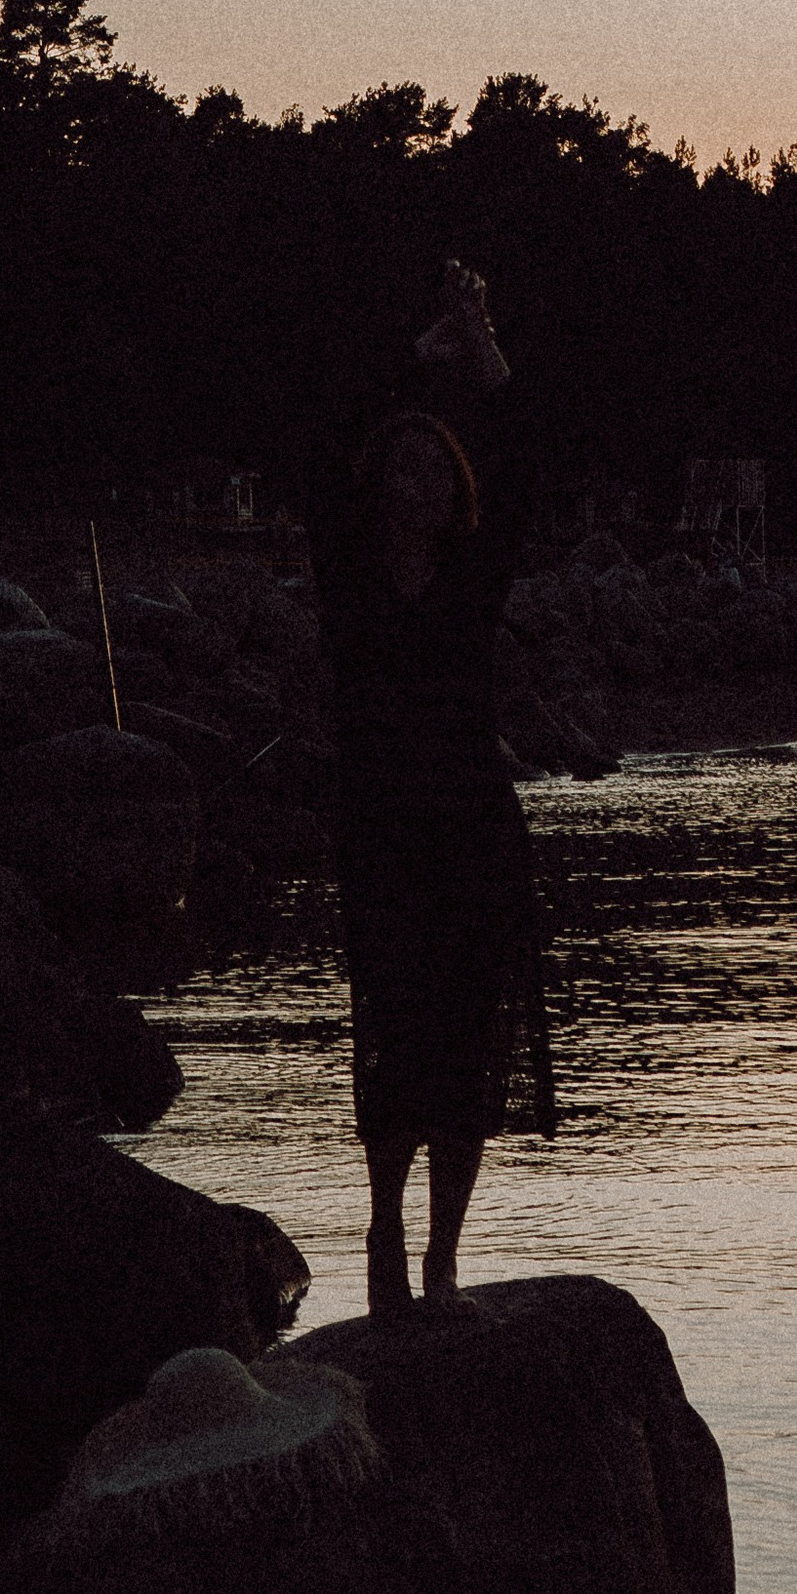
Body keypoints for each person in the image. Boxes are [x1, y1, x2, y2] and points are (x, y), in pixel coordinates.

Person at [304, 258, 555, 1312]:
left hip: (472, 823)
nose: (419, 478)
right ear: (378, 483)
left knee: (470, 1043)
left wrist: (485, 345)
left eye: (435, 467)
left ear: (455, 490)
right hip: (380, 826)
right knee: (392, 1037)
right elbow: (324, 436)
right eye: (400, 464)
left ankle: (444, 1258)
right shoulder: (347, 569)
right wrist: (421, 355)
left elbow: (531, 455)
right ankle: (384, 1234)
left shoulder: (474, 573)